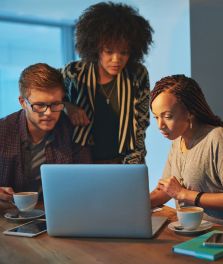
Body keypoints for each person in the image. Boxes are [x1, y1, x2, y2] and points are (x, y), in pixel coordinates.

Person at [61, 2, 153, 164]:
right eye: (109, 51)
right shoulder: (73, 72)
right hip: (80, 160)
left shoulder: (138, 75)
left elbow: (141, 124)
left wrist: (133, 166)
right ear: (96, 48)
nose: (116, 59)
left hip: (124, 160)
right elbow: (49, 101)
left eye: (124, 52)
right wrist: (67, 107)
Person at [0, 63, 91, 209]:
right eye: (39, 105)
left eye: (55, 104)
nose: (48, 113)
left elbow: (87, 180)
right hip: (8, 218)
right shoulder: (3, 131)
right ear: (23, 103)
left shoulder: (71, 130)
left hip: (60, 213)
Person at [150, 74, 223, 224]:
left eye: (167, 116)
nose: (160, 125)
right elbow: (167, 190)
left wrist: (184, 194)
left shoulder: (216, 137)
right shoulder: (178, 141)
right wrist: (134, 204)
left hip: (215, 235)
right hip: (188, 231)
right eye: (156, 117)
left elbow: (178, 192)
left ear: (190, 112)